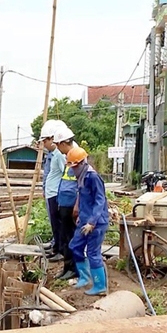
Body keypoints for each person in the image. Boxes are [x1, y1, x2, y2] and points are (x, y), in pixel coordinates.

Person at [66, 147, 110, 296]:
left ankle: (100, 285)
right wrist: (80, 214)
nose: (74, 169)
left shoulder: (93, 177)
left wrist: (92, 222)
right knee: (75, 246)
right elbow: (83, 196)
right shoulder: (81, 176)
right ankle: (84, 277)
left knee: (93, 252)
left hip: (97, 222)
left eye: (75, 166)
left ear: (82, 163)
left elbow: (100, 200)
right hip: (84, 219)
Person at [52, 127, 80, 280]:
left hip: (71, 205)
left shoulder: (77, 156)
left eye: (58, 145)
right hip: (64, 203)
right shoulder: (68, 156)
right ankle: (67, 267)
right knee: (65, 237)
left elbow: (81, 185)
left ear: (64, 143)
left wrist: (77, 206)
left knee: (71, 237)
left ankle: (73, 268)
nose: (57, 148)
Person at [39, 120, 68, 261]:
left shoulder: (60, 155)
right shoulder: (54, 154)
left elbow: (66, 174)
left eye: (45, 140)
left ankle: (60, 250)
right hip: (52, 193)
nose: (44, 144)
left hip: (57, 194)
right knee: (55, 224)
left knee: (59, 224)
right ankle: (56, 246)